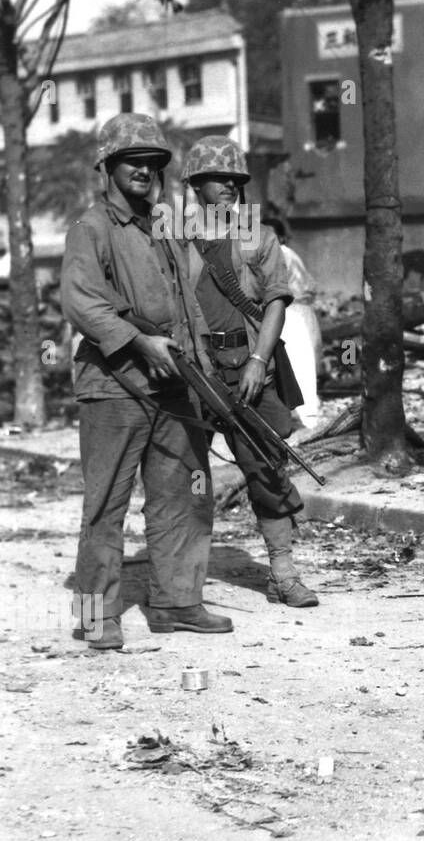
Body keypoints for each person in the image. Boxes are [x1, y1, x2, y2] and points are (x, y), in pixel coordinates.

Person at [60, 114, 231, 649]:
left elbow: (186, 303)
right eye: (132, 161)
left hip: (173, 381)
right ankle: (96, 617)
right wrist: (139, 342)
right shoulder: (91, 228)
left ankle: (177, 602)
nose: (144, 170)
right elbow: (81, 302)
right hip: (114, 385)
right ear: (108, 166)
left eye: (153, 162)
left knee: (184, 495)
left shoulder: (164, 225)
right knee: (105, 506)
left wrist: (202, 367)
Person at [180, 136, 319, 608]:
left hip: (248, 364)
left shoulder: (258, 236)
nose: (229, 186)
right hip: (194, 370)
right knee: (183, 474)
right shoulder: (175, 239)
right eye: (218, 179)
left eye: (235, 179)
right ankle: (181, 581)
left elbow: (277, 300)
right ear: (196, 184)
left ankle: (283, 573)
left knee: (267, 467)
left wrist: (259, 361)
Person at [264, 217, 323, 432]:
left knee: (299, 364)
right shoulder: (278, 253)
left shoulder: (283, 254)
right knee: (295, 363)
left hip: (293, 313)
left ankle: (306, 417)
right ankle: (298, 414)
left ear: (280, 237)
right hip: (294, 311)